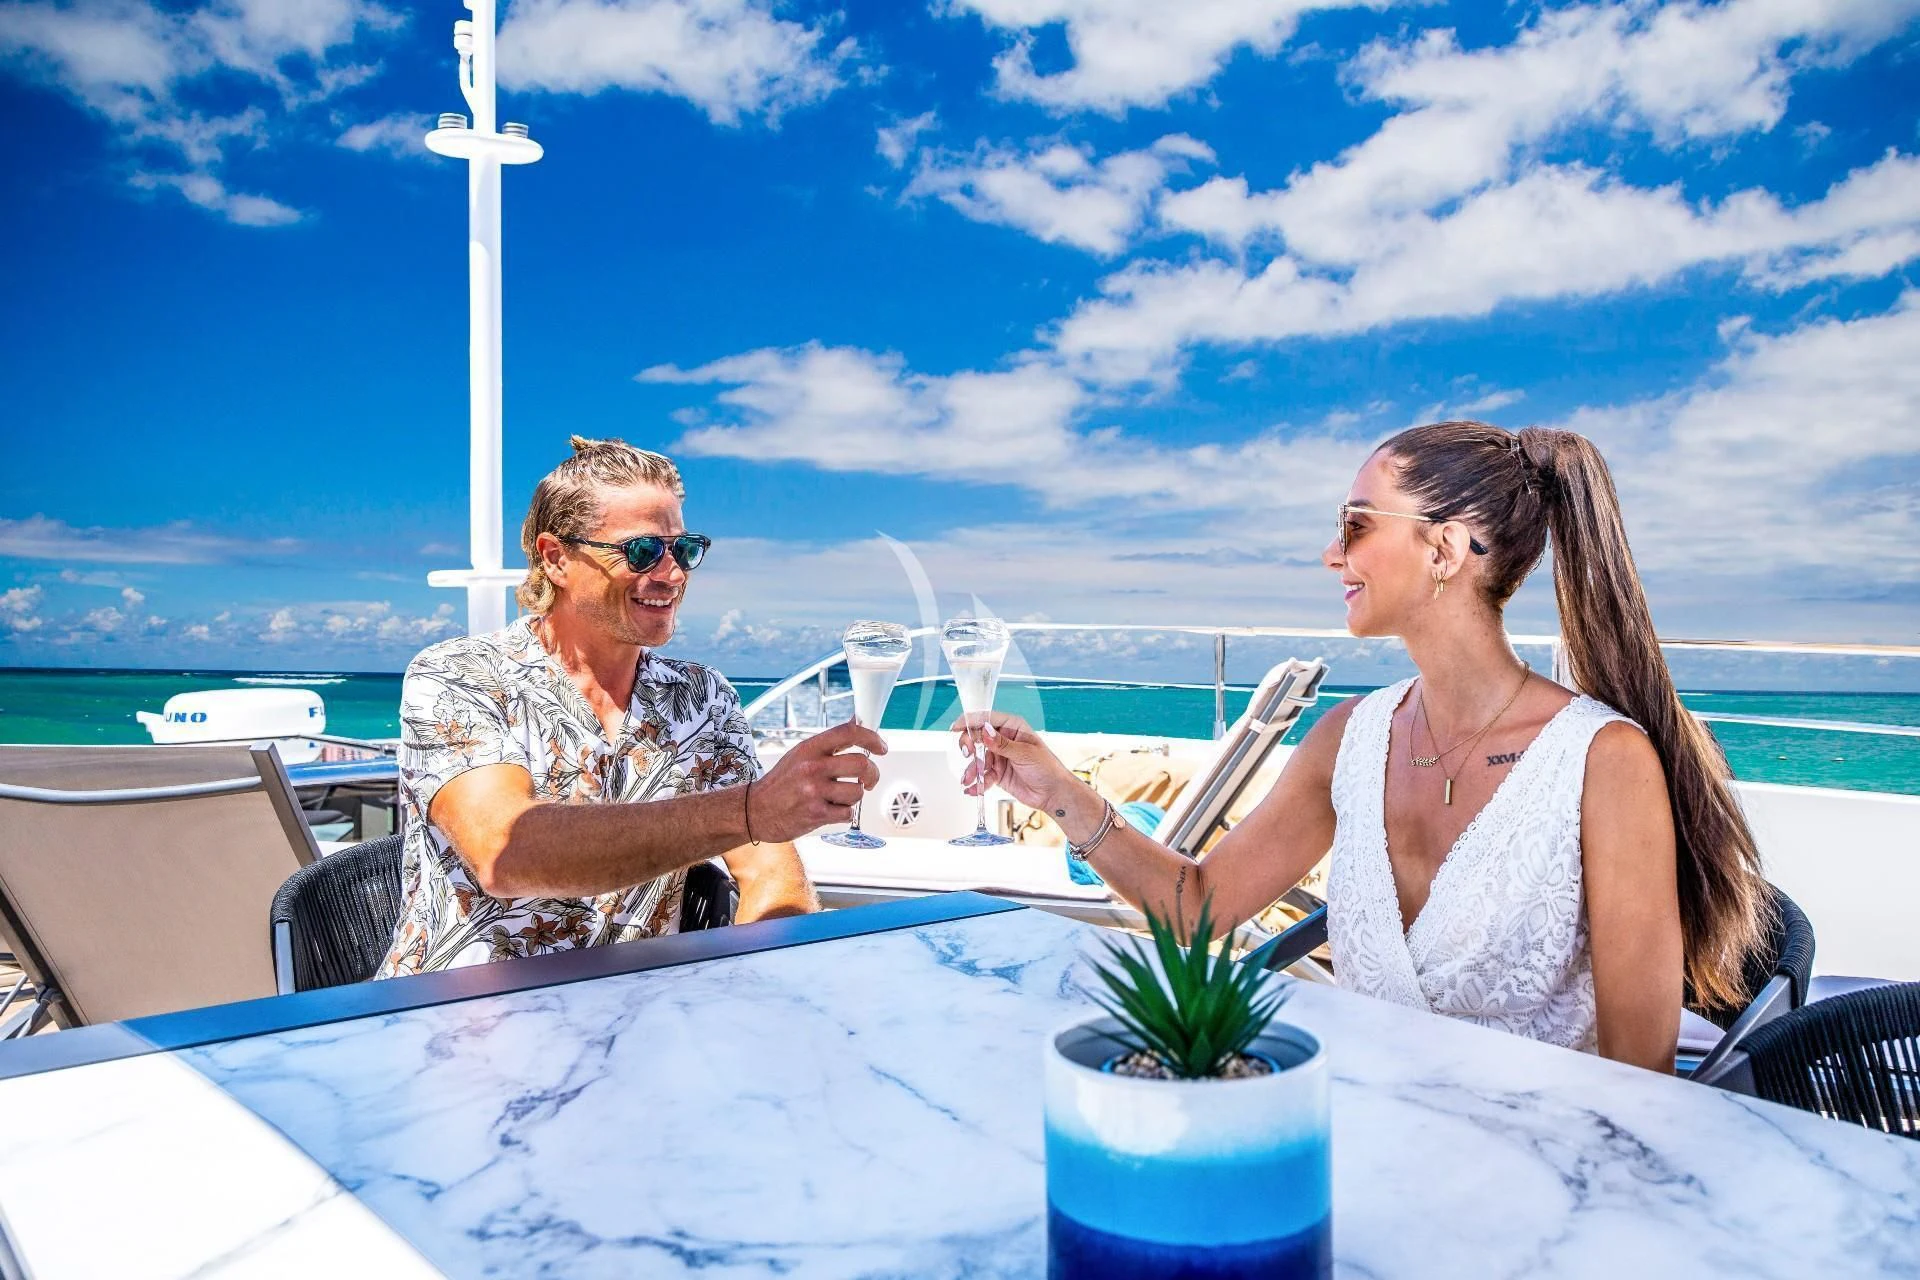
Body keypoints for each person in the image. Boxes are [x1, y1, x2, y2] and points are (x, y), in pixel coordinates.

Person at [964, 421, 1770, 1072]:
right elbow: (1196, 908)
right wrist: (1058, 792)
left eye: (1353, 527)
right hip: (1359, 1144)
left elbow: (1640, 1077)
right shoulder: (1350, 738)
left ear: (1445, 550)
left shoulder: (1602, 763)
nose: (1330, 554)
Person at [376, 437, 882, 977]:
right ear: (556, 558)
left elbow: (770, 875)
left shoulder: (702, 699)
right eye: (642, 551)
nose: (671, 574)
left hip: (634, 1019)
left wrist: (741, 993)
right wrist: (750, 811)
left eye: (683, 549)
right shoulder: (463, 676)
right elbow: (506, 853)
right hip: (455, 1016)